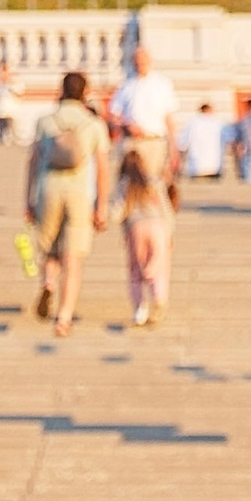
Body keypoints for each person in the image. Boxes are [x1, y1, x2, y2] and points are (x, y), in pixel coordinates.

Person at [27, 68, 108, 335]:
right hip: (79, 193)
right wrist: (102, 205)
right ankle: (64, 318)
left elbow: (33, 161)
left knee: (49, 249)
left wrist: (28, 198)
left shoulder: (45, 121)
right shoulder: (93, 124)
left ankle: (49, 281)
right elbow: (103, 167)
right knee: (73, 258)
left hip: (48, 189)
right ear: (85, 92)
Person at [117, 142, 176, 328]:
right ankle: (159, 299)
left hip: (136, 227)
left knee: (135, 272)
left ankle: (139, 310)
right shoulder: (154, 182)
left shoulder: (125, 185)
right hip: (158, 225)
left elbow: (119, 212)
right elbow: (167, 210)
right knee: (159, 268)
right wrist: (169, 233)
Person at [111, 40, 177, 189]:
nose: (140, 63)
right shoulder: (126, 86)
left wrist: (173, 149)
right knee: (128, 185)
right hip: (132, 142)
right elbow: (114, 116)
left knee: (154, 185)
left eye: (143, 59)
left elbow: (169, 119)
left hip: (154, 141)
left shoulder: (162, 84)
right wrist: (125, 126)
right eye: (137, 60)